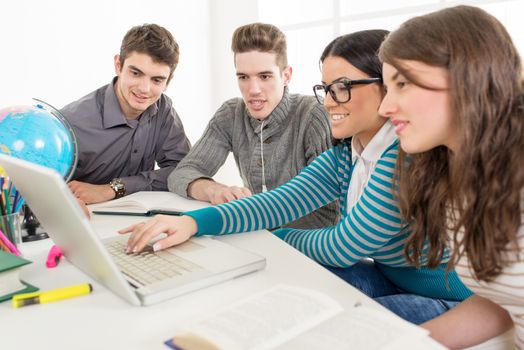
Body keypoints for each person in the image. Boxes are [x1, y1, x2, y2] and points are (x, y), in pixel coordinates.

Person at [120, 29, 472, 325]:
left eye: (343, 86)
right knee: (276, 295)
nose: (330, 101)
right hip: (389, 275)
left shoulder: (401, 155)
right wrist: (192, 223)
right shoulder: (346, 155)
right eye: (327, 88)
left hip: (449, 297)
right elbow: (276, 203)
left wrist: (268, 233)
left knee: (337, 325)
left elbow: (343, 246)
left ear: (387, 88)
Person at [378, 5, 523, 348]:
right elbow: (503, 302)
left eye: (402, 83)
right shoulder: (454, 177)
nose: (385, 107)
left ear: (468, 76)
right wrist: (406, 344)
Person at [168, 23, 337, 229]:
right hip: (257, 235)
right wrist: (215, 190)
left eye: (264, 76)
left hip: (313, 246)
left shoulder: (314, 113)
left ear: (286, 75)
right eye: (243, 77)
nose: (253, 89)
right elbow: (181, 173)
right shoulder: (231, 113)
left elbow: (322, 202)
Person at [62, 24, 191, 205]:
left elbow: (184, 170)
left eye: (157, 80)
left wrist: (113, 188)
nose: (144, 89)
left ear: (168, 81)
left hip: (139, 221)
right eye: (136, 73)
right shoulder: (71, 123)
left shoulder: (163, 109)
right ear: (118, 65)